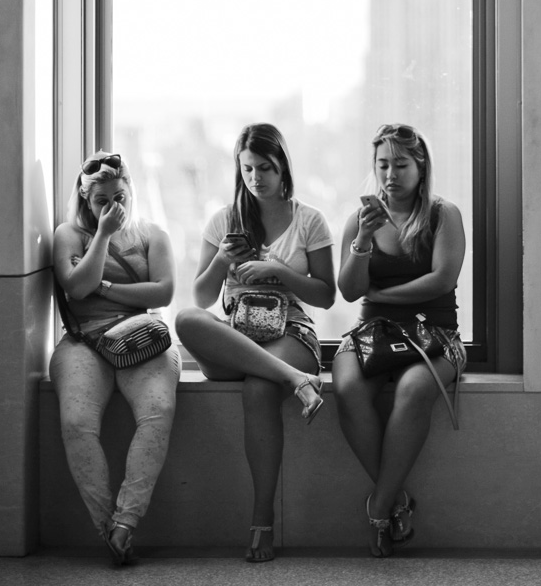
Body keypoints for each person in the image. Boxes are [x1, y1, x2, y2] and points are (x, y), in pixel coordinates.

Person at [176, 123, 336, 563]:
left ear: (283, 165)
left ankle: (261, 520)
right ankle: (297, 381)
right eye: (247, 168)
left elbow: (326, 294)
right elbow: (203, 297)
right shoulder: (224, 219)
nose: (255, 177)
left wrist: (279, 273)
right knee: (187, 319)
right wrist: (224, 260)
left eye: (264, 167)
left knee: (259, 387)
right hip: (238, 334)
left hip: (290, 331)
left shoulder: (309, 220)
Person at [332, 124, 467, 558]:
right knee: (348, 386)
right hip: (375, 333)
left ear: (420, 165)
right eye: (382, 165)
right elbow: (350, 291)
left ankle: (379, 507)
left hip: (436, 332)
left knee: (412, 389)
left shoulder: (444, 214)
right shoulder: (360, 220)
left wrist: (384, 295)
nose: (391, 174)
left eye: (401, 164)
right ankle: (397, 501)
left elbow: (441, 279)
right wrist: (363, 241)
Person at [50, 151, 180, 565]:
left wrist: (103, 288)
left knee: (157, 410)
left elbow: (162, 293)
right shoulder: (69, 235)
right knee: (76, 421)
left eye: (119, 196)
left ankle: (128, 519)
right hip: (83, 342)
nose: (113, 207)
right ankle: (108, 527)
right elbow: (75, 287)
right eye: (102, 200)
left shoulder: (152, 234)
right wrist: (103, 235)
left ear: (130, 191)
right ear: (86, 199)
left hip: (140, 338)